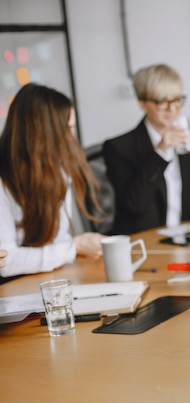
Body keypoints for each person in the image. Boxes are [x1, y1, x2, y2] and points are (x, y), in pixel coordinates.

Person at [0, 84, 105, 278]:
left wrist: (72, 247)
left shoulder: (57, 168)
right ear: (41, 132)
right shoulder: (3, 181)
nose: (73, 138)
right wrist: (74, 247)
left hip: (52, 277)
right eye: (67, 129)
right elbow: (5, 262)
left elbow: (59, 239)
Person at [103, 64, 190, 235]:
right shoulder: (119, 147)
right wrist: (160, 151)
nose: (172, 109)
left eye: (177, 99)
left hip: (188, 238)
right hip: (145, 243)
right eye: (162, 102)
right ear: (142, 103)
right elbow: (134, 203)